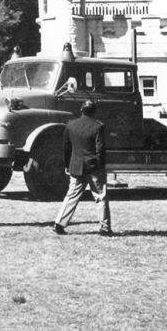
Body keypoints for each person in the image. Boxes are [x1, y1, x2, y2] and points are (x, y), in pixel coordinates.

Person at [53, 99, 112, 236]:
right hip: (94, 167)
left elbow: (66, 148)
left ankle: (59, 223)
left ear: (81, 110)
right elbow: (100, 149)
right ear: (94, 111)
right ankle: (105, 227)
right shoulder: (98, 126)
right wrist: (101, 166)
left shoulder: (71, 125)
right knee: (100, 197)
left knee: (71, 196)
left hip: (76, 166)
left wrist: (68, 165)